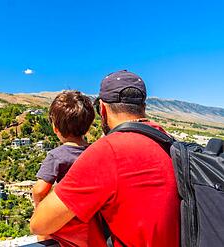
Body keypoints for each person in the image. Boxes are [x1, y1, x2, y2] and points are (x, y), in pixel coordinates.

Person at [30, 70, 180, 247]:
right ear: (144, 107)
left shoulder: (107, 151)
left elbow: (39, 224)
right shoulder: (172, 145)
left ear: (102, 108)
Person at [32, 90, 98, 246]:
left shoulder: (56, 155)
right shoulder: (96, 152)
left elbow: (39, 190)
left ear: (55, 128)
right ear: (88, 128)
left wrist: (40, 212)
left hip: (67, 229)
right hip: (93, 227)